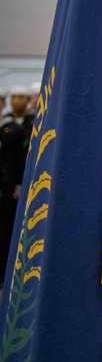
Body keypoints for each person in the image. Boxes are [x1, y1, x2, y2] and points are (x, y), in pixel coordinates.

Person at [0, 85, 34, 276]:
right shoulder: (7, 126)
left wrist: (20, 184)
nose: (17, 101)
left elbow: (21, 159)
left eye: (21, 97)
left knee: (8, 227)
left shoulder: (19, 128)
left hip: (12, 185)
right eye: (15, 97)